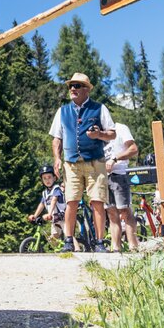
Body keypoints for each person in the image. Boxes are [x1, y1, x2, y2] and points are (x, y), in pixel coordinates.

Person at [48, 73, 116, 253]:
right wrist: (56, 158)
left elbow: (112, 134)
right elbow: (57, 139)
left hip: (96, 162)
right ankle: (69, 241)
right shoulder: (62, 111)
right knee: (71, 201)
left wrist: (99, 135)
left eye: (77, 86)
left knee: (97, 201)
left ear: (86, 89)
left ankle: (100, 242)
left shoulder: (99, 108)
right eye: (71, 86)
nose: (72, 89)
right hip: (71, 163)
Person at [104, 122, 140, 252]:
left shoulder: (120, 128)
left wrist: (115, 158)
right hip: (104, 177)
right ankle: (116, 248)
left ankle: (133, 246)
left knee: (124, 211)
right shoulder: (97, 133)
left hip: (120, 174)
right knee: (111, 213)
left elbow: (133, 149)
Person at [27, 165, 66, 240]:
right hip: (54, 219)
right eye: (44, 178)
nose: (47, 180)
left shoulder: (56, 189)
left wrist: (49, 213)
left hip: (63, 217)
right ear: (42, 180)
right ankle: (60, 251)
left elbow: (54, 200)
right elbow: (41, 205)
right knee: (53, 239)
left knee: (69, 236)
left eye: (49, 177)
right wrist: (35, 216)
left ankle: (77, 249)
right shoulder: (45, 193)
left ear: (54, 178)